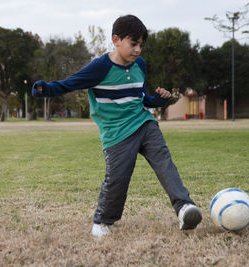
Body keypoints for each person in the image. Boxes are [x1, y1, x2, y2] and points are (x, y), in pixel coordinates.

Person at [32, 14, 202, 237]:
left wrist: (159, 100)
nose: (138, 50)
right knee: (118, 179)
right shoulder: (100, 68)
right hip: (117, 134)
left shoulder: (139, 65)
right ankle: (102, 221)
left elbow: (139, 97)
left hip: (144, 123)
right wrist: (45, 89)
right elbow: (69, 84)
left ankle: (184, 208)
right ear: (116, 39)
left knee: (164, 161)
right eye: (133, 44)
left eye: (141, 45)